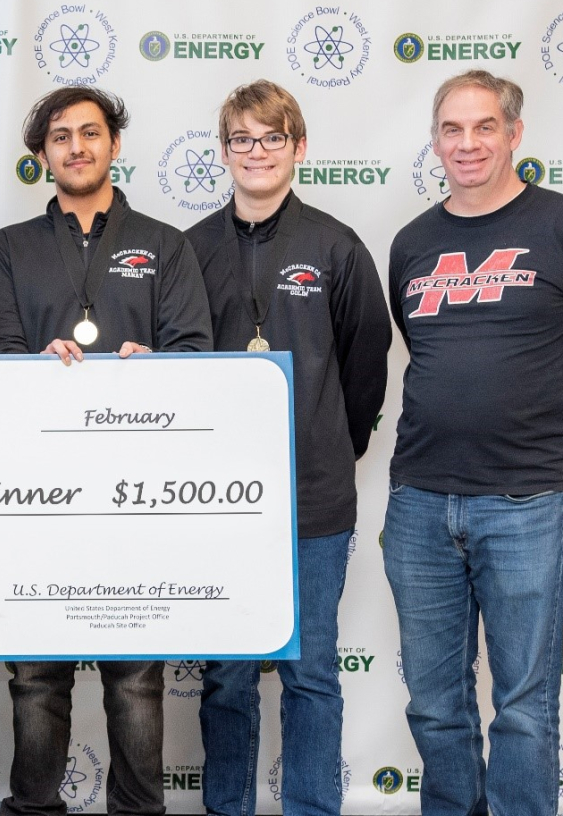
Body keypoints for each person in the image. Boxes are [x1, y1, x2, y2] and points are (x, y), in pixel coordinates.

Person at [384, 69, 563, 816]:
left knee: (522, 707)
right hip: (419, 501)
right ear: (435, 140)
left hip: (528, 501)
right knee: (433, 704)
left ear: (515, 133)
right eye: (452, 129)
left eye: (485, 127)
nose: (468, 143)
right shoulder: (413, 242)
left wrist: (543, 418)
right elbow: (417, 345)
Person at [0, 86, 211, 816]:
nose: (76, 147)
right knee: (36, 678)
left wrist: (156, 364)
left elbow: (196, 353)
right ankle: (34, 807)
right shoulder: (7, 248)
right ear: (41, 155)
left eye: (90, 133)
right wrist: (29, 361)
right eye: (60, 137)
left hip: (135, 496)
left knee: (136, 677)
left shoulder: (166, 244)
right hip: (37, 496)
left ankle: (139, 810)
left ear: (114, 144)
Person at [184, 80, 391, 816]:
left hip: (314, 497)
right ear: (225, 153)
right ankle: (228, 807)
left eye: (273, 137)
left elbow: (367, 365)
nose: (257, 152)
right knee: (228, 678)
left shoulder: (336, 245)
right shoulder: (190, 249)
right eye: (242, 139)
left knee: (311, 675)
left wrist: (333, 441)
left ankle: (312, 807)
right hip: (219, 501)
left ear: (298, 148)